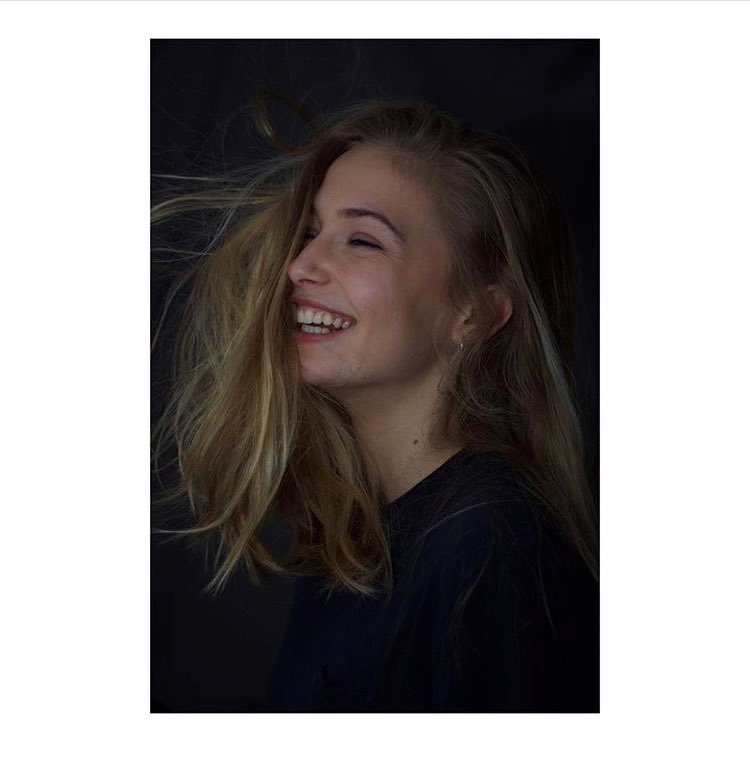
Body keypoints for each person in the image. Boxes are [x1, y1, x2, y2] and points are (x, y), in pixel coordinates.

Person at [152, 99, 599, 712]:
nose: (299, 266)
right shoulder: (359, 529)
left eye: (362, 240)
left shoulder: (494, 546)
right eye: (309, 233)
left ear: (474, 313)